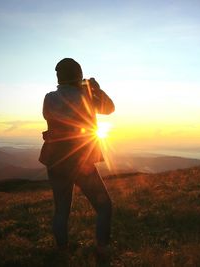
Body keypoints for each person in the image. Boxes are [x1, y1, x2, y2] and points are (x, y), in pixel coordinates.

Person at [39, 58, 115, 260]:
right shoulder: (87, 97)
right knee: (104, 206)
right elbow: (109, 108)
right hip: (81, 160)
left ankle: (62, 251)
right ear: (79, 75)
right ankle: (101, 249)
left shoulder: (49, 98)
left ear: (59, 77)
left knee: (61, 210)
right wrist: (96, 89)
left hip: (55, 159)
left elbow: (48, 115)